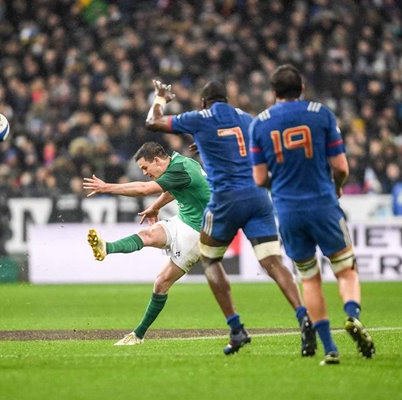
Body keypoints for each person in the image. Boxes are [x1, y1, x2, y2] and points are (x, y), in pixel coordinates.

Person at [145, 79, 316, 356]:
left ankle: (236, 329)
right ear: (226, 99)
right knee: (273, 262)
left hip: (225, 200)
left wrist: (161, 99)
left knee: (210, 260)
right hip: (258, 198)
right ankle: (303, 317)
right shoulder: (247, 119)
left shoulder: (199, 118)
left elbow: (153, 122)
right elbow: (255, 152)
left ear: (204, 102)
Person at [249, 64, 376, 365]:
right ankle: (352, 314)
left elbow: (258, 178)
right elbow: (342, 167)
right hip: (323, 204)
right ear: (302, 88)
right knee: (345, 268)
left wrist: (278, 183)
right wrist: (338, 187)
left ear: (273, 92)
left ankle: (330, 348)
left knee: (309, 279)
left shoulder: (260, 123)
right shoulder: (322, 114)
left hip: (288, 210)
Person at [83, 141, 210, 345]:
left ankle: (138, 334)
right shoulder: (180, 163)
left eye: (145, 167)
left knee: (161, 283)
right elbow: (171, 188)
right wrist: (155, 207)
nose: (144, 172)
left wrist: (107, 187)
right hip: (184, 220)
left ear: (157, 161)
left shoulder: (180, 168)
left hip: (198, 233)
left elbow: (143, 189)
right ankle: (106, 248)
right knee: (148, 235)